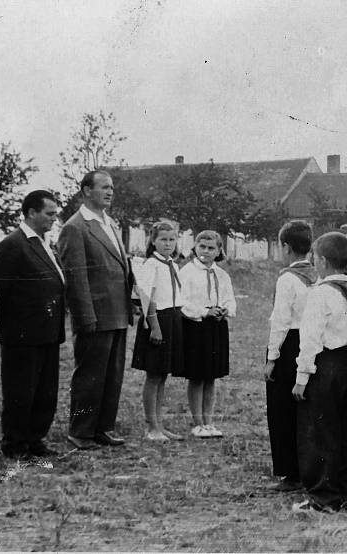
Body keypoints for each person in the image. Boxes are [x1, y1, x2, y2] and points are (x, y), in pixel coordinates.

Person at [58, 170, 134, 450]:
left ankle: (103, 427)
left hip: (117, 313)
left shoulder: (110, 224)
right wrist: (85, 317)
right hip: (95, 315)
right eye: (104, 187)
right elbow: (76, 279)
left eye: (112, 187)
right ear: (86, 191)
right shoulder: (75, 227)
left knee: (112, 375)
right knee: (89, 375)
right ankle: (80, 430)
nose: (110, 192)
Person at [291, 232, 347, 512]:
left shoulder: (319, 293)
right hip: (346, 364)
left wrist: (301, 377)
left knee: (320, 432)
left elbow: (310, 338)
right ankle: (344, 492)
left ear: (320, 261)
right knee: (345, 431)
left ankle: (323, 496)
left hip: (324, 365)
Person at [0, 190, 65, 459]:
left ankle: (35, 439)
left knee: (45, 391)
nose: (53, 220)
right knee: (20, 391)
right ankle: (16, 444)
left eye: (55, 214)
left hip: (47, 331)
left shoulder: (44, 243)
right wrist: (11, 329)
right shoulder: (13, 244)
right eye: (49, 214)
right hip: (23, 334)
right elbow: (2, 291)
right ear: (31, 212)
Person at [264, 220, 316, 491]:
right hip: (310, 343)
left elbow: (280, 321)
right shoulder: (317, 275)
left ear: (285, 247)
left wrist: (272, 358)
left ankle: (290, 472)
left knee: (282, 410)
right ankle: (308, 465)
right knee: (305, 409)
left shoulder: (287, 279)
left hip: (288, 345)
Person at [178, 230, 236, 439]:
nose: (205, 251)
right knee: (197, 376)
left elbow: (229, 297)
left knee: (211, 376)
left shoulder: (222, 274)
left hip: (216, 327)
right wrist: (204, 311)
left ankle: (208, 422)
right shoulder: (187, 272)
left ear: (219, 250)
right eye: (202, 247)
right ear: (195, 247)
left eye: (211, 248)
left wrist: (225, 309)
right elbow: (182, 301)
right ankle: (197, 422)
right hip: (196, 327)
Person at [131, 221, 184, 442]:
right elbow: (147, 299)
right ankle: (151, 427)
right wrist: (155, 327)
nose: (168, 244)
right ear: (153, 241)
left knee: (163, 375)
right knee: (153, 375)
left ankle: (160, 425)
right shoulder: (151, 265)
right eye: (163, 239)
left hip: (172, 317)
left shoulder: (173, 264)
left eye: (172, 239)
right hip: (157, 320)